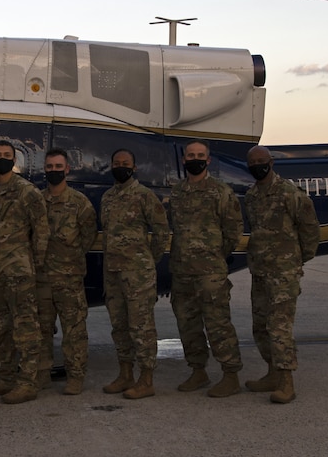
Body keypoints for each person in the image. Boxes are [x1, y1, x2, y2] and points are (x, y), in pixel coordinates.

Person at [244, 145, 320, 404]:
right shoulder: (252, 195)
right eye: (252, 161)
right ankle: (272, 373)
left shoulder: (289, 193)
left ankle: (287, 381)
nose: (257, 165)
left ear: (271, 162)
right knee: (260, 327)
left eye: (261, 160)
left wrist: (298, 259)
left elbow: (310, 227)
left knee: (279, 328)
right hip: (260, 272)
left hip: (283, 273)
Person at [168, 140, 243, 397]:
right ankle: (198, 371)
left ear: (208, 160)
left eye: (200, 155)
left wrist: (215, 256)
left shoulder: (221, 192)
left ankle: (230, 375)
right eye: (191, 155)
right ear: (183, 160)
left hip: (210, 272)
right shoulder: (177, 193)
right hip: (182, 272)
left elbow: (233, 231)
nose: (195, 159)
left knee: (218, 323)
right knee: (187, 324)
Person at [0, 140, 49, 404]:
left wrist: (35, 266)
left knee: (26, 329)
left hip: (20, 272)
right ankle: (6, 377)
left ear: (14, 159)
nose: (2, 158)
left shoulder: (27, 192)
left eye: (7, 155)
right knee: (1, 329)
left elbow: (41, 231)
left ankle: (28, 382)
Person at [100, 148, 169, 399]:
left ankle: (146, 379)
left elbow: (161, 232)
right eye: (116, 163)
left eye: (125, 163)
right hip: (113, 273)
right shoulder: (108, 197)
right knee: (119, 326)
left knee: (141, 327)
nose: (121, 166)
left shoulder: (144, 196)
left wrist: (148, 260)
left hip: (137, 273)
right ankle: (125, 374)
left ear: (134, 167)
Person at [38, 148, 97, 396]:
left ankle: (75, 377)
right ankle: (41, 374)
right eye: (50, 167)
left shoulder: (79, 203)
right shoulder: (37, 201)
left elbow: (88, 236)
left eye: (58, 167)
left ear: (67, 169)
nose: (54, 171)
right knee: (40, 330)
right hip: (41, 278)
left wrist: (69, 260)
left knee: (74, 331)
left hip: (69, 278)